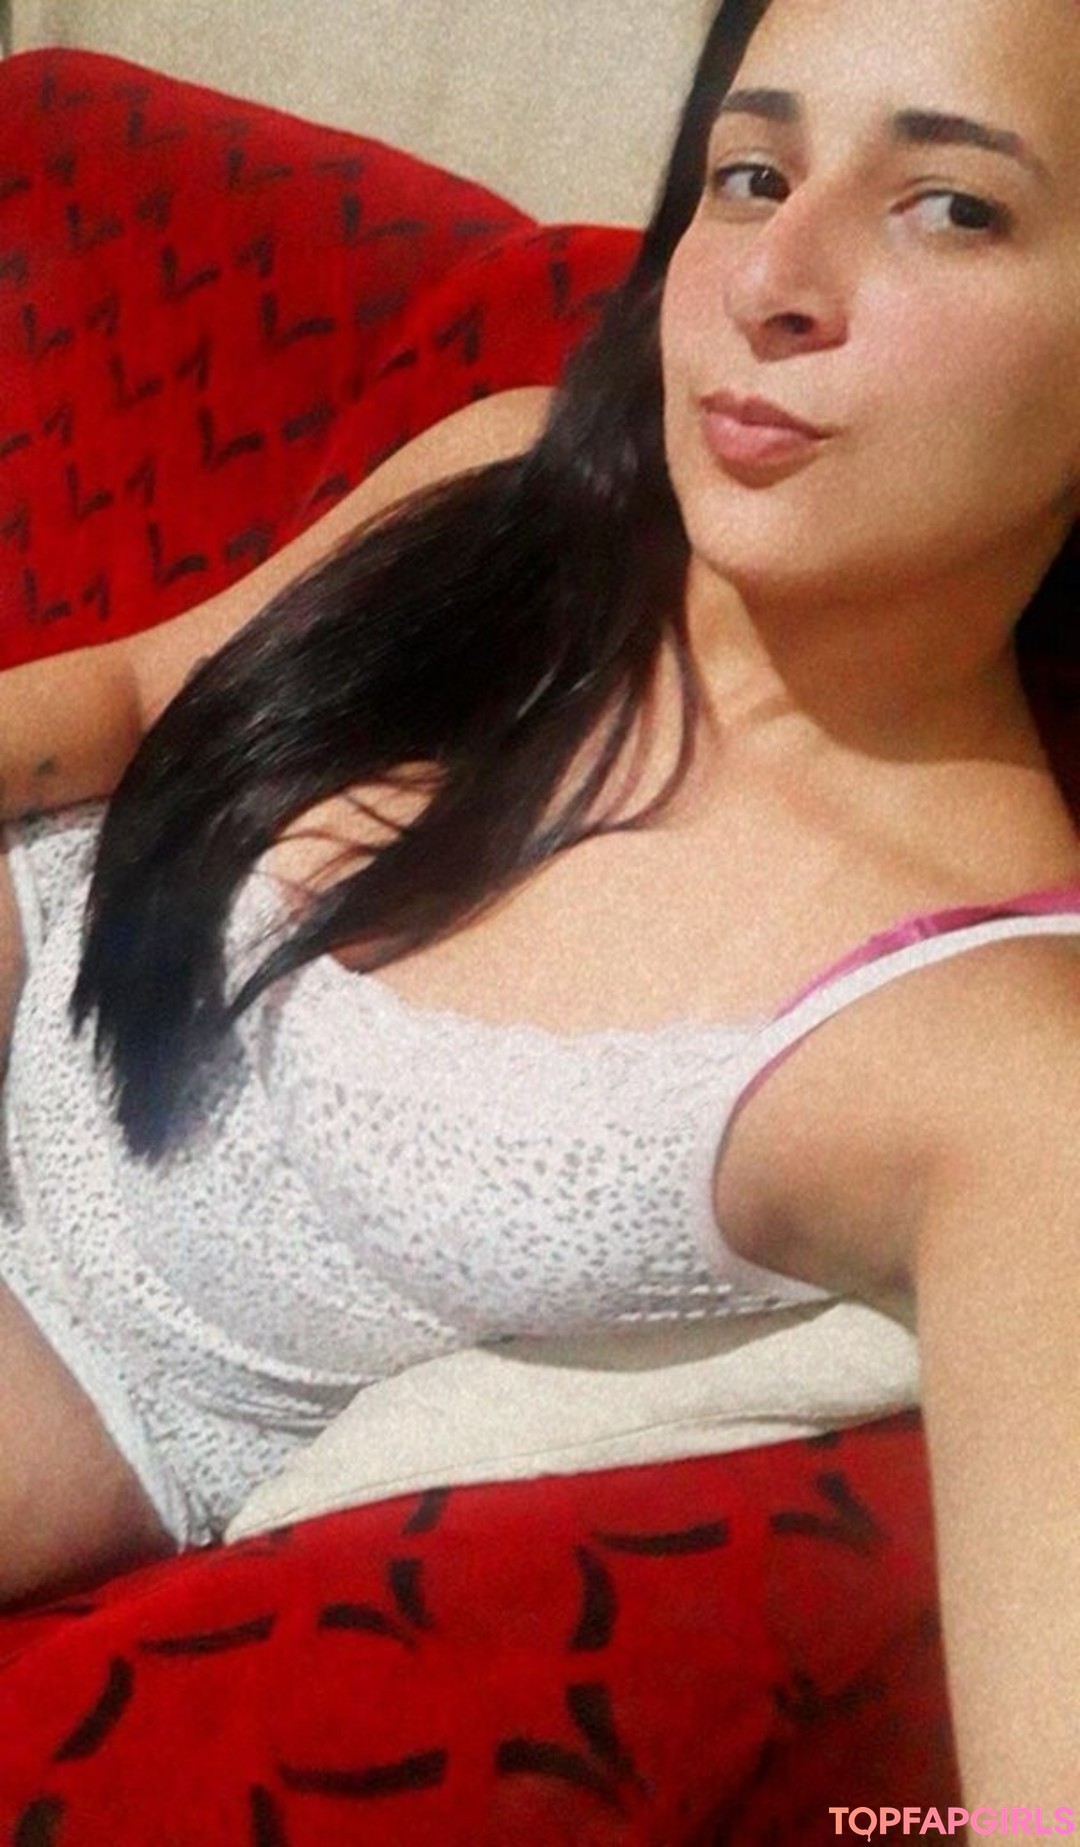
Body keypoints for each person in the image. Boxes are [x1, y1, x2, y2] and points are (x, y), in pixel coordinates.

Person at [0, 0, 1078, 1805]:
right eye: (753, 174)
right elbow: (128, 695)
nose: (773, 280)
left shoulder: (991, 1057)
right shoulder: (524, 480)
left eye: (950, 206)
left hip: (73, 1368)